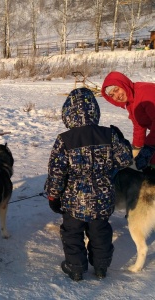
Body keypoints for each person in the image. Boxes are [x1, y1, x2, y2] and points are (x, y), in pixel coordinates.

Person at [44, 88, 133, 281]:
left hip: (73, 201)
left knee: (72, 233)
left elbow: (56, 173)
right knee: (100, 231)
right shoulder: (108, 134)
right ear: (95, 110)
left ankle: (75, 268)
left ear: (67, 113)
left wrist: (53, 195)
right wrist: (121, 139)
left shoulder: (65, 139)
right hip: (102, 199)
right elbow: (125, 159)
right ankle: (101, 268)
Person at [101, 71, 155, 172]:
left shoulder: (145, 92)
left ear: (123, 84)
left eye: (116, 90)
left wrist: (149, 146)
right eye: (112, 95)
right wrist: (136, 150)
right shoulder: (131, 103)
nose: (117, 96)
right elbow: (139, 127)